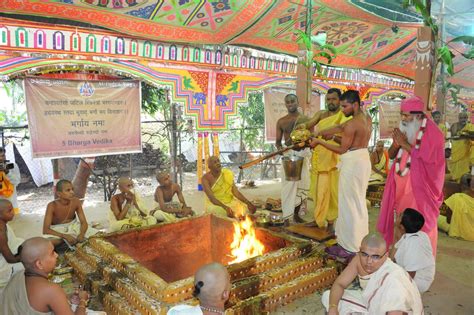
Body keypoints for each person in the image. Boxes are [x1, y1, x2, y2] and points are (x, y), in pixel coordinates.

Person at [377, 96, 445, 256]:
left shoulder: (434, 134)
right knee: (402, 224)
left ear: (418, 115)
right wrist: (396, 143)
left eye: (406, 115)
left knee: (419, 225)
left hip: (420, 191)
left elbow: (430, 163)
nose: (403, 118)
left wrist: (405, 144)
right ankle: (401, 257)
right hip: (401, 189)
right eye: (402, 114)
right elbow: (392, 154)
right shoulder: (405, 127)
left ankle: (420, 262)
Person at [310, 90, 372, 256]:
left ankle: (349, 246)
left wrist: (319, 142)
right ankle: (357, 241)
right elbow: (340, 128)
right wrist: (322, 133)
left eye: (345, 106)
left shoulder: (352, 124)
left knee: (348, 204)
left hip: (352, 161)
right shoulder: (366, 119)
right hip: (363, 158)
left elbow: (342, 149)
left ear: (355, 104)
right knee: (357, 202)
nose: (342, 110)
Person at [321, 234, 423, 315]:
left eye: (375, 257)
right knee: (328, 296)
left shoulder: (393, 279)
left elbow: (397, 310)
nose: (368, 261)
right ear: (360, 251)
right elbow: (339, 284)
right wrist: (333, 308)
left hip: (391, 310)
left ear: (385, 256)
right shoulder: (358, 260)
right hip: (372, 303)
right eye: (365, 254)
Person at [1, 237, 104, 315]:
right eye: (52, 253)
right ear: (39, 264)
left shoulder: (17, 275)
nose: (57, 255)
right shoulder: (51, 290)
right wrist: (82, 301)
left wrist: (67, 300)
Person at [296, 88, 349, 230]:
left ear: (340, 100)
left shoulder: (343, 117)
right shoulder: (321, 114)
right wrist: (302, 127)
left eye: (334, 99)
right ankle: (317, 218)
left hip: (334, 160)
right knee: (318, 191)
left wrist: (331, 137)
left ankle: (331, 222)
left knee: (332, 193)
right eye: (328, 99)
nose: (330, 102)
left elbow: (346, 141)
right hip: (319, 157)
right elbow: (309, 124)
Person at [390, 208, 435, 293]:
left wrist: (397, 288)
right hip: (409, 274)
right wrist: (396, 228)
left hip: (418, 280)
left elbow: (411, 273)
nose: (398, 215)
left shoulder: (413, 243)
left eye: (400, 216)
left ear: (402, 227)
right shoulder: (415, 235)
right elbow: (392, 257)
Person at [43, 180, 97, 247]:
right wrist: (65, 236)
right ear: (59, 194)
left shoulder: (76, 201)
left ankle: (69, 241)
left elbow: (83, 222)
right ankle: (65, 241)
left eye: (72, 189)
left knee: (97, 235)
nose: (72, 192)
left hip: (74, 227)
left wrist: (81, 234)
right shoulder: (51, 205)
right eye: (68, 190)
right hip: (58, 230)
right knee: (48, 244)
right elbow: (45, 230)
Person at [439, 173, 474, 241]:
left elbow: (448, 220)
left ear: (460, 185)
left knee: (435, 217)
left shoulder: (456, 198)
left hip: (458, 233)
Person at [0, 200, 23, 293]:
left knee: (28, 244)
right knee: (31, 265)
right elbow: (10, 260)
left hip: (8, 253)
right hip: (3, 266)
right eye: (9, 211)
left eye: (12, 209)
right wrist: (26, 257)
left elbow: (13, 241)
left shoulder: (3, 224)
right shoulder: (1, 232)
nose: (13, 213)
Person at [448, 111, 473, 182]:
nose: (463, 119)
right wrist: (461, 135)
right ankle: (456, 180)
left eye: (465, 118)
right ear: (458, 118)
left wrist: (467, 135)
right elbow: (452, 136)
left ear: (467, 118)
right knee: (455, 165)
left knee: (464, 167)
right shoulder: (454, 125)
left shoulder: (470, 126)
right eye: (461, 118)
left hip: (465, 150)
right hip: (456, 148)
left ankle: (463, 181)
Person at [0, 147, 21, 214]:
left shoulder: (12, 166)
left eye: (2, 156)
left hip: (11, 204)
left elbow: (17, 181)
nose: (1, 158)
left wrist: (7, 172)